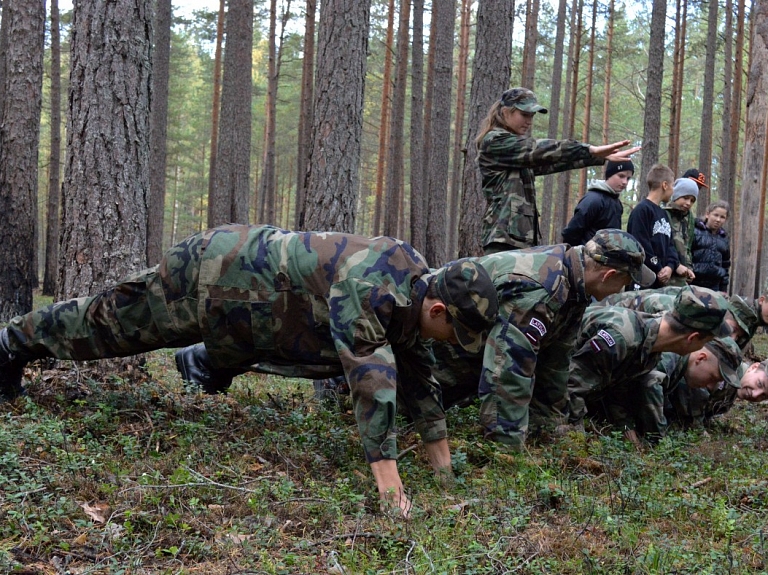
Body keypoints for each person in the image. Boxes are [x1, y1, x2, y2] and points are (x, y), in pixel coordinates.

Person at [0, 224, 500, 518]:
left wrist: (446, 476)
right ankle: (11, 342)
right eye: (459, 334)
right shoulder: (374, 286)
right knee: (106, 325)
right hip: (214, 273)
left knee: (321, 352)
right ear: (438, 310)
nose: (458, 346)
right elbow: (374, 385)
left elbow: (420, 376)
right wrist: (393, 495)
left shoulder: (415, 286)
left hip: (257, 311)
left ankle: (205, 360)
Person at [428, 229, 655, 449]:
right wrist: (506, 447)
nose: (622, 290)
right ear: (609, 276)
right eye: (625, 282)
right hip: (435, 347)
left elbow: (555, 363)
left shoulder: (575, 283)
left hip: (465, 352)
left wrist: (550, 427)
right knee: (410, 416)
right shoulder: (544, 289)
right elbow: (508, 367)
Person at [477, 87, 640, 254]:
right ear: (505, 112)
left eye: (531, 116)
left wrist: (600, 156)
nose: (529, 121)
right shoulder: (495, 141)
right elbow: (541, 149)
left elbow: (552, 163)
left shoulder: (515, 154)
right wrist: (590, 149)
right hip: (502, 239)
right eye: (524, 115)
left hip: (519, 239)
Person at [566, 285, 732, 443]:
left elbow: (617, 389)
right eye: (706, 342)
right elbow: (572, 384)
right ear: (692, 338)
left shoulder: (652, 350)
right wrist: (576, 434)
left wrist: (625, 426)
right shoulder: (622, 338)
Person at [667, 358, 768, 428]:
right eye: (759, 384)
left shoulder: (735, 387)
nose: (755, 394)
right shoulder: (727, 370)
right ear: (754, 367)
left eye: (764, 396)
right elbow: (690, 390)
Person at [626, 164, 679, 288]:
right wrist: (659, 268)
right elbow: (640, 245)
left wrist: (670, 267)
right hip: (642, 280)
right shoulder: (642, 210)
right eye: (672, 186)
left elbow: (671, 245)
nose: (673, 191)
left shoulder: (664, 214)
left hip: (661, 282)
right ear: (665, 185)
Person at [561, 160, 634, 247]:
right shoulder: (593, 200)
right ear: (609, 175)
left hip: (607, 258)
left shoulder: (617, 203)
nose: (625, 182)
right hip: (587, 257)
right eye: (621, 176)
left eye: (628, 178)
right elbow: (571, 233)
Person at [664, 178, 698, 286]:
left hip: (682, 276)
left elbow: (687, 246)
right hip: (666, 272)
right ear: (676, 195)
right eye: (685, 198)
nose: (688, 203)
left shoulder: (688, 219)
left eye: (692, 200)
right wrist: (674, 265)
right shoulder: (663, 213)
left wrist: (689, 268)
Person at [691, 200, 731, 293]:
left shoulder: (724, 239)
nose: (718, 219)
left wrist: (724, 289)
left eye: (722, 217)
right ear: (707, 214)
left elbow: (725, 265)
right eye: (715, 215)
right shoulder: (695, 231)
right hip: (693, 282)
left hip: (714, 287)